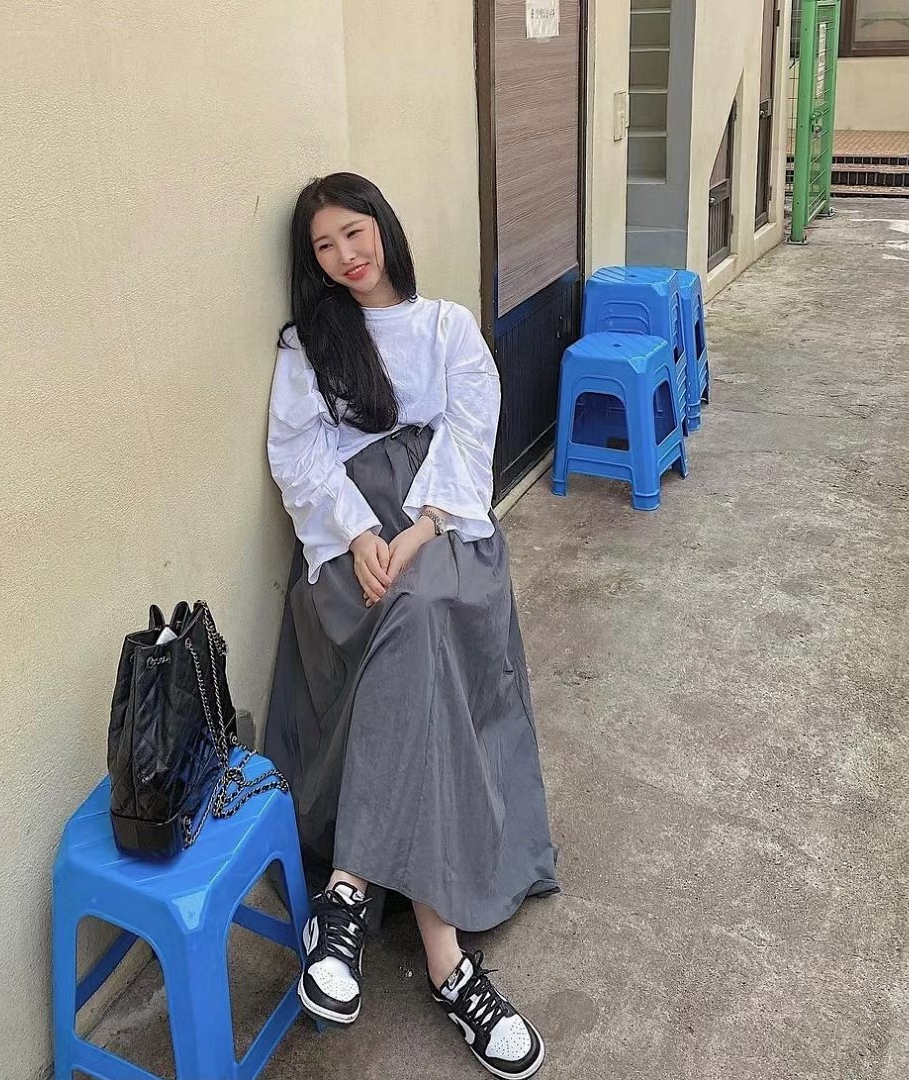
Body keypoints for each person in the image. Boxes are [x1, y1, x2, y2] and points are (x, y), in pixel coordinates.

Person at [264, 173, 558, 1079]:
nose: (345, 256)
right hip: (350, 534)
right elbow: (297, 452)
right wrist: (359, 533)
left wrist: (420, 529)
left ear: (383, 228)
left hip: (441, 522)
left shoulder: (446, 327)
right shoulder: (309, 346)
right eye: (324, 247)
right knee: (412, 626)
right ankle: (449, 965)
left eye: (354, 233)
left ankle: (346, 895)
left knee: (424, 608)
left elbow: (470, 435)